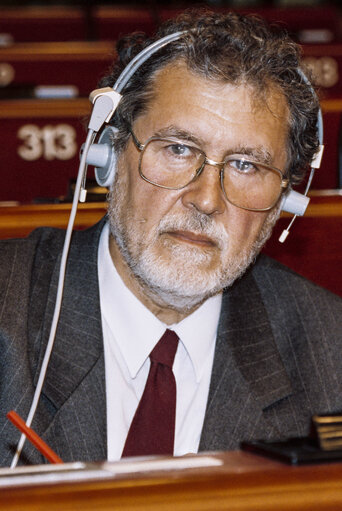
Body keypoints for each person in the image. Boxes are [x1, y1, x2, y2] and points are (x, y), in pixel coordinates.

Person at [0, 10, 341, 467]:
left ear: (285, 202)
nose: (205, 200)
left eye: (246, 165)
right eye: (178, 149)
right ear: (108, 156)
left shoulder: (331, 352)